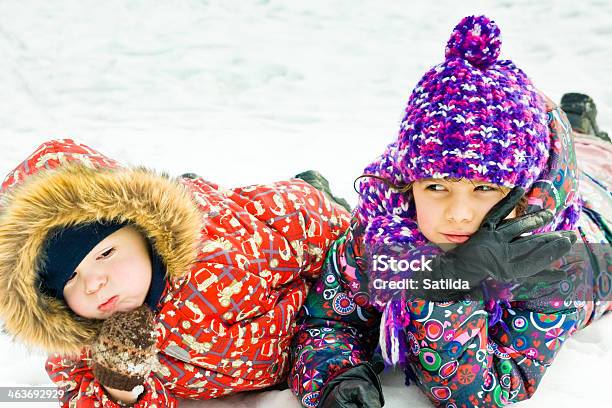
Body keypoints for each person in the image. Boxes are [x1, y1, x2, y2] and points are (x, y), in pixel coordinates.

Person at [289, 15, 611, 408]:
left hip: (601, 217)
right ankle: (577, 133)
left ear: (522, 192)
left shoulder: (552, 261)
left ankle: (584, 132)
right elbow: (330, 321)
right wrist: (336, 374)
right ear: (408, 183)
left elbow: (484, 389)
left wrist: (448, 285)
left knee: (600, 165)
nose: (458, 213)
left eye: (486, 188)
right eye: (437, 186)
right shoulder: (384, 231)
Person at [0, 139, 350, 407]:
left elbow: (300, 217)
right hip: (274, 365)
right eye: (69, 280)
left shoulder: (223, 245)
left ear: (141, 229)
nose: (94, 283)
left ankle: (316, 184)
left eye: (105, 253)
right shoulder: (80, 349)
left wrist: (347, 234)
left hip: (307, 314)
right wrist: (118, 387)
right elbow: (80, 397)